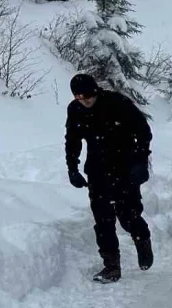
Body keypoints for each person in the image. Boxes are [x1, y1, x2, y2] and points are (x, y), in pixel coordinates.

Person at [64, 73, 153, 284]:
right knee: (103, 219)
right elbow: (72, 140)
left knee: (128, 214)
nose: (84, 101)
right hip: (97, 170)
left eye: (87, 97)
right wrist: (72, 169)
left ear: (95, 92)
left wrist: (141, 161)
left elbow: (143, 131)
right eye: (79, 98)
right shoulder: (75, 110)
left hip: (125, 167)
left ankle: (142, 239)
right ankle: (111, 266)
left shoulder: (117, 103)